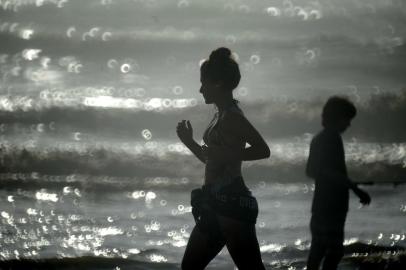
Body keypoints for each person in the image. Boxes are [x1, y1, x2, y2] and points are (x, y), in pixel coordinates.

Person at [176, 47, 270, 270]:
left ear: (217, 83)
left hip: (233, 203)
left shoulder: (233, 117)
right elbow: (213, 160)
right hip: (213, 203)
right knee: (189, 266)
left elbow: (263, 150)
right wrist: (189, 142)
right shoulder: (219, 114)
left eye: (203, 83)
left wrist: (228, 153)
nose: (200, 89)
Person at [306, 96, 371, 270]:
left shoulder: (317, 139)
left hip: (319, 205)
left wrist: (332, 178)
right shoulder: (333, 139)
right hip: (333, 206)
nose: (348, 125)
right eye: (347, 119)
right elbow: (332, 172)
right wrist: (356, 189)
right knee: (334, 252)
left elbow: (311, 171)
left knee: (318, 250)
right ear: (338, 117)